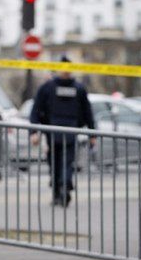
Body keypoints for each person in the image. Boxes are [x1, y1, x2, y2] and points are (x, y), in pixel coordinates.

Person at [29, 56, 95, 207]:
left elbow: (36, 111)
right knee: (62, 163)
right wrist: (34, 131)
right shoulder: (75, 88)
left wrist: (34, 132)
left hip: (57, 132)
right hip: (62, 132)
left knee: (60, 163)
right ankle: (62, 189)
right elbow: (87, 113)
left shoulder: (49, 87)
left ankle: (61, 191)